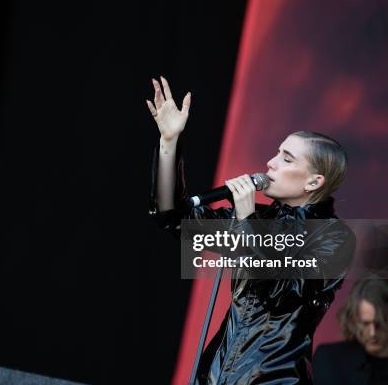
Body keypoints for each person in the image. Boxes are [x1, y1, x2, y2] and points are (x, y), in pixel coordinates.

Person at [146, 76, 356, 384]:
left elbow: (281, 293)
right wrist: (169, 142)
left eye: (286, 159)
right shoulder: (256, 219)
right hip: (216, 376)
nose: (270, 163)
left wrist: (246, 224)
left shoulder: (334, 239)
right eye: (276, 153)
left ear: (314, 182)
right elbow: (173, 217)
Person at [313, 278, 388, 385]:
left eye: (380, 323)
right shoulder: (328, 360)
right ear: (353, 320)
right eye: (365, 324)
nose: (372, 333)